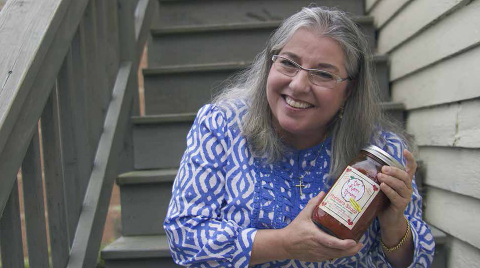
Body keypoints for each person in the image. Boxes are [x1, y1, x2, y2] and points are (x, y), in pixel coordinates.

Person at [164, 6, 435, 268]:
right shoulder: (222, 126)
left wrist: (393, 223)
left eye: (323, 74)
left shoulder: (379, 153)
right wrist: (284, 244)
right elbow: (184, 235)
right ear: (270, 63)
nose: (298, 85)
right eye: (288, 63)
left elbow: (418, 261)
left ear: (349, 90)